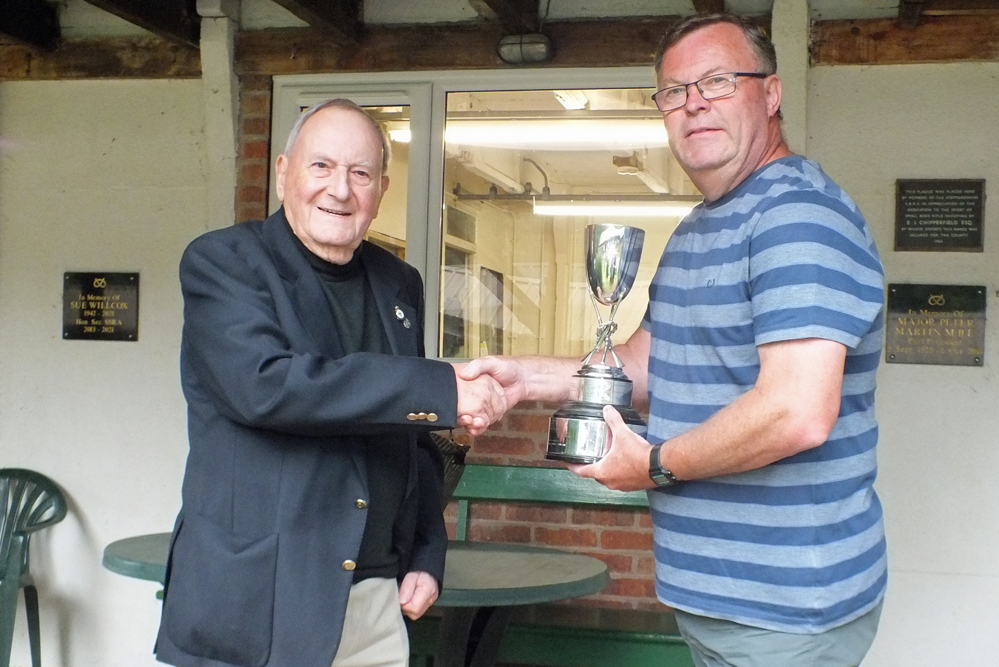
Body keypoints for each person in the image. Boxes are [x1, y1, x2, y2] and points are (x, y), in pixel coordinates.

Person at [460, 13, 886, 667]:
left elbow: (797, 410)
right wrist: (525, 377)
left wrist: (654, 464)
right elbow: (643, 362)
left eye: (717, 81)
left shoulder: (797, 216)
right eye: (674, 90)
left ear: (770, 94)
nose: (693, 104)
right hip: (716, 598)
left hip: (783, 608)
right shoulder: (697, 231)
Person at [155, 98, 506, 667]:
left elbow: (409, 439)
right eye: (321, 166)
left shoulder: (398, 283)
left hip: (374, 598)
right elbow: (265, 386)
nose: (339, 189)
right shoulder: (225, 262)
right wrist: (439, 389)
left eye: (360, 173)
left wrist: (425, 551)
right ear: (282, 172)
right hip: (255, 603)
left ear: (381, 190)